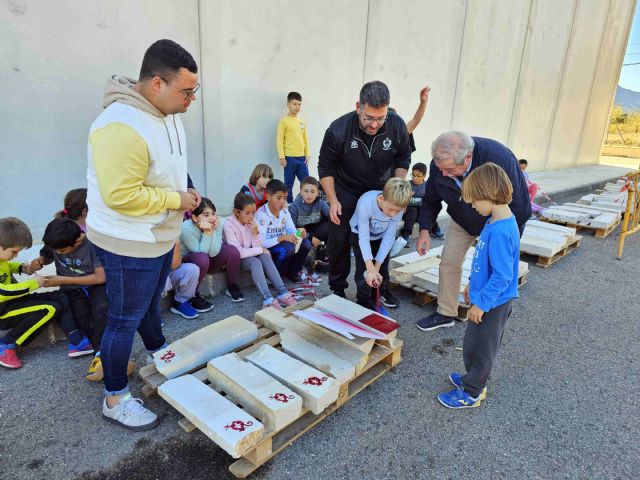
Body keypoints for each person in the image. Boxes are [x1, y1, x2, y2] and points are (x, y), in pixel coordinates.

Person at [86, 39, 201, 430]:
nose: (192, 99)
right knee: (123, 318)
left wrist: (189, 193)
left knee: (151, 304)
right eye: (187, 91)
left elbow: (172, 164)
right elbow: (120, 196)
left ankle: (158, 353)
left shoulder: (168, 112)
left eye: (194, 91)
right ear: (157, 83)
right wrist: (177, 198)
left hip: (157, 235)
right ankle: (115, 397)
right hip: (128, 240)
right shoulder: (119, 126)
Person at [415, 132, 531, 332]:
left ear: (468, 157)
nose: (444, 174)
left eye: (450, 169)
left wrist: (511, 239)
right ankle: (445, 313)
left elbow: (519, 203)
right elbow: (430, 199)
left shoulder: (499, 157)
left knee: (494, 269)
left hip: (494, 222)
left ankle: (487, 310)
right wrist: (424, 229)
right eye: (441, 169)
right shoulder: (440, 164)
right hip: (462, 218)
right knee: (449, 262)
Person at [437, 162, 520, 409]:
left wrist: (481, 304)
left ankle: (472, 392)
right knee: (472, 345)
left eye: (475, 201)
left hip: (492, 304)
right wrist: (471, 285)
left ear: (489, 194)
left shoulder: (502, 230)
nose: (472, 206)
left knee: (483, 349)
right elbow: (486, 263)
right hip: (484, 298)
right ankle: (471, 378)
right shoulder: (493, 221)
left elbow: (503, 276)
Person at [318, 81, 411, 298]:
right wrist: (333, 200)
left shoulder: (397, 126)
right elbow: (325, 167)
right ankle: (337, 288)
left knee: (381, 237)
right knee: (340, 238)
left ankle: (378, 286)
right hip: (346, 189)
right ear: (358, 106)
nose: (374, 124)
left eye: (380, 118)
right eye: (369, 117)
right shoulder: (338, 130)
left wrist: (396, 192)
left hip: (381, 190)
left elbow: (403, 157)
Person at [36, 217, 122, 380]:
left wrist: (61, 280)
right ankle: (101, 351)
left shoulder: (93, 244)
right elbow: (47, 254)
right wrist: (40, 261)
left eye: (61, 251)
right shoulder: (58, 241)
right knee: (82, 317)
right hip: (72, 289)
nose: (58, 253)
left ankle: (101, 354)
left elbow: (100, 278)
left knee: (102, 309)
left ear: (76, 241)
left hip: (96, 284)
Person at [0, 217, 79, 369]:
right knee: (50, 309)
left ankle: (77, 339)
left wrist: (23, 267)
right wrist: (34, 284)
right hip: (3, 312)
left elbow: (7, 265)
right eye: (14, 251)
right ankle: (6, 343)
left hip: (15, 302)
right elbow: (2, 291)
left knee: (59, 296)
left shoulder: (2, 259)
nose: (16, 255)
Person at [223, 193, 297, 309]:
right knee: (256, 262)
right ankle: (267, 300)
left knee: (265, 256)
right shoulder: (228, 225)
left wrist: (255, 233)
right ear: (236, 212)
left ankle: (283, 293)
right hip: (238, 259)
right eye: (247, 213)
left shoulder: (252, 221)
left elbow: (257, 245)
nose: (251, 216)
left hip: (251, 252)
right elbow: (238, 252)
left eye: (253, 212)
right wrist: (259, 249)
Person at [350, 178, 413, 311]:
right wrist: (370, 267)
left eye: (397, 211)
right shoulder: (366, 203)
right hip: (360, 234)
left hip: (381, 236)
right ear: (382, 198)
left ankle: (380, 294)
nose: (393, 214)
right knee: (364, 271)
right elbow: (363, 237)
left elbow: (389, 237)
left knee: (382, 269)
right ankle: (363, 301)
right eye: (390, 209)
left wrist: (376, 267)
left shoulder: (397, 207)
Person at [181, 197, 244, 305]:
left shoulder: (216, 222)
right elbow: (201, 253)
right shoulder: (186, 229)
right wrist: (207, 232)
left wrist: (212, 230)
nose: (212, 218)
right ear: (195, 218)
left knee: (232, 251)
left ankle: (232, 285)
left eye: (213, 213)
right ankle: (192, 294)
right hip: (188, 264)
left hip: (207, 259)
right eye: (206, 215)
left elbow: (214, 252)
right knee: (202, 257)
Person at [256, 179, 312, 283]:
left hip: (281, 243)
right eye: (279, 198)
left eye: (285, 198)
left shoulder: (284, 212)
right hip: (268, 248)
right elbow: (261, 242)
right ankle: (273, 277)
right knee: (288, 248)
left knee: (306, 244)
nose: (282, 202)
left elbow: (291, 231)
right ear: (268, 197)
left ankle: (293, 272)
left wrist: (300, 233)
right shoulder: (261, 215)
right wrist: (282, 238)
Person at [288, 176, 330, 277]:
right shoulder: (294, 207)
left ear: (317, 193)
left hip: (317, 231)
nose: (309, 194)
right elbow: (291, 230)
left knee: (333, 225)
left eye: (312, 191)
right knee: (303, 248)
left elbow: (332, 217)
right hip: (302, 234)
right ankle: (315, 264)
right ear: (301, 191)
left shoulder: (321, 203)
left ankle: (328, 256)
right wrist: (310, 237)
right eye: (306, 191)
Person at [277, 92, 310, 202]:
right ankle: (290, 205)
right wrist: (282, 157)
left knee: (306, 182)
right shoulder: (284, 121)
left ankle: (305, 203)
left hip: (301, 158)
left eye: (299, 104)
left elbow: (305, 139)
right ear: (288, 104)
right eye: (294, 104)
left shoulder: (302, 121)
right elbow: (279, 140)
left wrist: (307, 154)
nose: (297, 107)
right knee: (288, 184)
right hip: (289, 158)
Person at [163, 243, 201, 319]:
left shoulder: (169, 233)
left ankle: (180, 302)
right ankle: (150, 310)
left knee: (192, 269)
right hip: (151, 274)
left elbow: (175, 265)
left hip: (168, 270)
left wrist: (175, 243)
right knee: (162, 278)